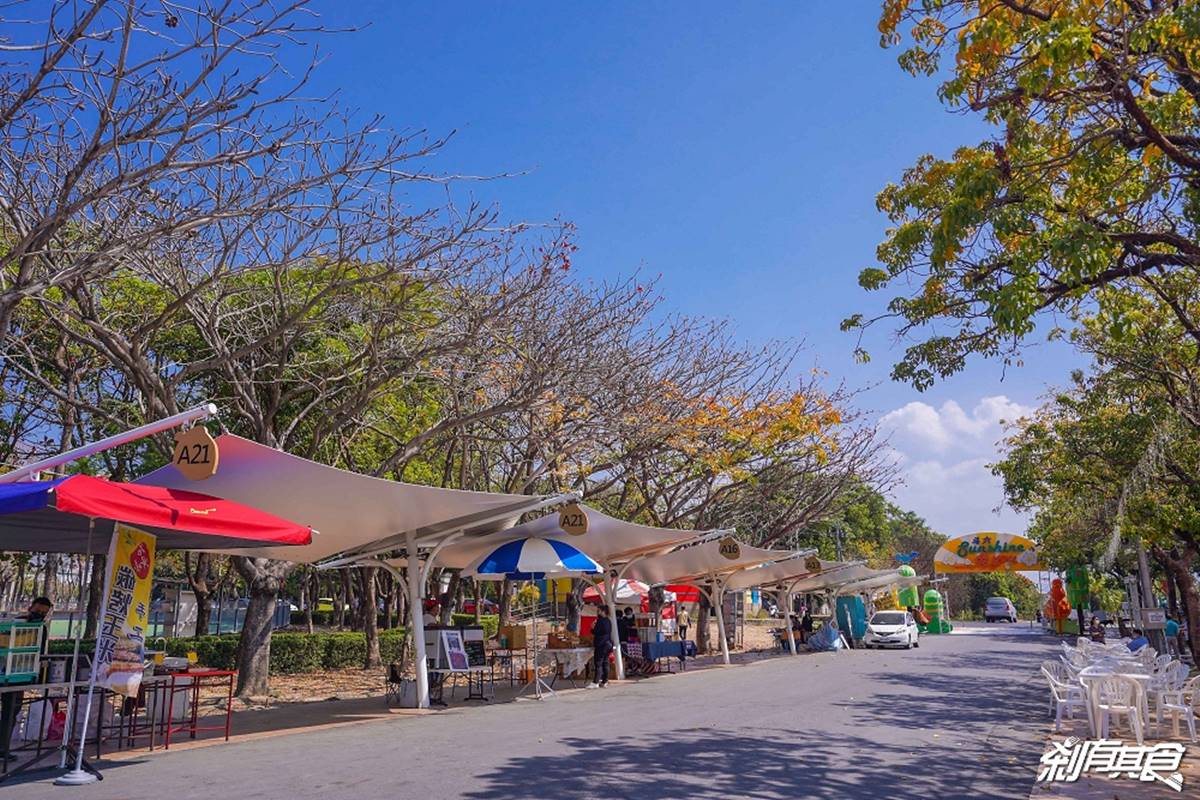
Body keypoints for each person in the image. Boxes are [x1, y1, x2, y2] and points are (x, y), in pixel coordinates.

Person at [1, 597, 53, 764]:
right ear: (30, 607)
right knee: (9, 713)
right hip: (5, 672)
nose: (40, 615)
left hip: (20, 676)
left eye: (43, 613)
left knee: (11, 713)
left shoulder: (41, 629)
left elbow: (39, 653)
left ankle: (3, 748)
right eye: (38, 611)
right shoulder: (13, 624)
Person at [589, 613, 613, 688]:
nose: (597, 612)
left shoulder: (600, 621)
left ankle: (596, 682)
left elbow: (596, 632)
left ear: (603, 611)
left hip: (601, 644)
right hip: (608, 643)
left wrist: (592, 627)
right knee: (605, 663)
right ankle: (604, 681)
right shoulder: (608, 621)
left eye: (599, 610)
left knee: (598, 663)